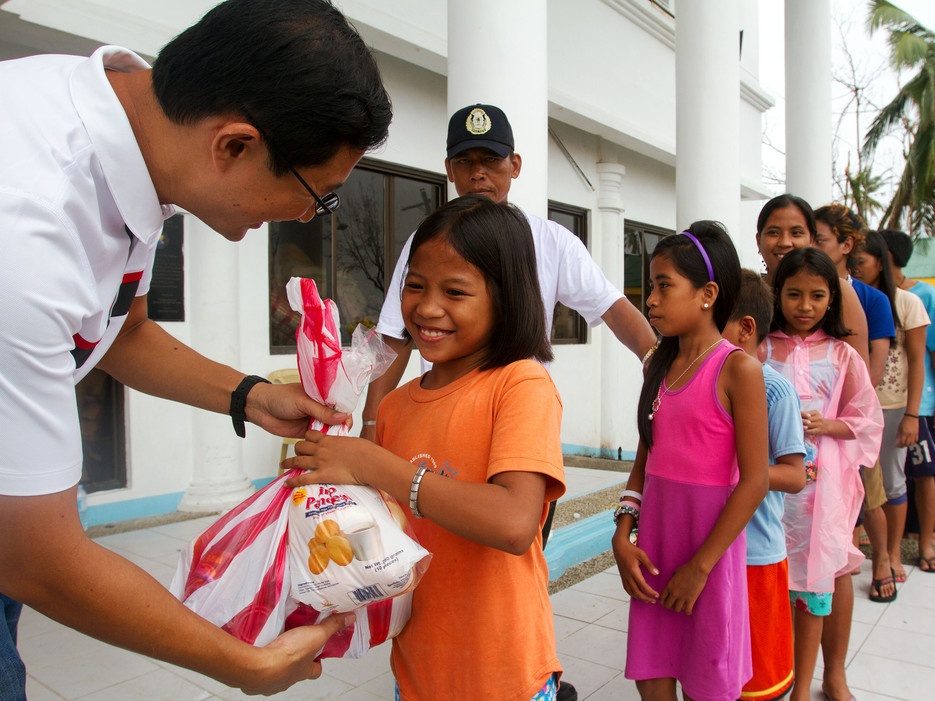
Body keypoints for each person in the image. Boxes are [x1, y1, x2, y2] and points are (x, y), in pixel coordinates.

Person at [0, 0, 393, 696]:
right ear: (234, 146)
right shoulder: (25, 233)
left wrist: (250, 395)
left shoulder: (132, 139)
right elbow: (33, 556)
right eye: (319, 196)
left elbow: (121, 327)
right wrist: (244, 661)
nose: (305, 218)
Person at [282, 195, 566, 700]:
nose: (427, 307)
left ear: (506, 296)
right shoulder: (394, 408)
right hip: (416, 673)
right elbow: (383, 538)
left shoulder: (521, 385)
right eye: (414, 286)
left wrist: (373, 462)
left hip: (506, 675)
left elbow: (514, 523)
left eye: (455, 291)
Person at [360, 102, 656, 438]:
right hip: (445, 417)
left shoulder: (552, 242)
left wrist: (655, 361)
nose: (478, 173)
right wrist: (371, 422)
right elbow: (396, 334)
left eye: (490, 160)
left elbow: (613, 307)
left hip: (517, 416)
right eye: (464, 161)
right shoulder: (427, 241)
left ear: (514, 165)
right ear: (449, 168)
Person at [612, 222, 769, 701]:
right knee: (653, 675)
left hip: (708, 556)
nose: (651, 300)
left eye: (664, 286)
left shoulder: (737, 369)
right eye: (651, 286)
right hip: (656, 554)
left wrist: (700, 567)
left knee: (709, 680)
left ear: (707, 294)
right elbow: (644, 460)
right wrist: (622, 533)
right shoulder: (659, 367)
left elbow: (756, 480)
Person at [761, 247, 883, 701]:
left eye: (816, 295)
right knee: (769, 585)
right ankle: (773, 677)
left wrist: (827, 424)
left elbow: (868, 417)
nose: (805, 306)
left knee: (814, 588)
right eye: (794, 294)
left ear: (831, 299)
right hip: (770, 490)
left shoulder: (842, 355)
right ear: (779, 294)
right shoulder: (760, 348)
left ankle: (803, 687)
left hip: (821, 496)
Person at [723, 270, 806, 701]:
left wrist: (736, 473)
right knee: (717, 675)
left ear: (745, 329)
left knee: (760, 685)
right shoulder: (703, 384)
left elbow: (795, 474)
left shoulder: (775, 391)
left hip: (756, 556)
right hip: (712, 551)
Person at [812, 204, 896, 605]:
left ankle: (883, 559)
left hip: (850, 420)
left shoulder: (871, 299)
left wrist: (840, 420)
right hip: (813, 426)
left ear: (846, 245)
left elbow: (871, 370)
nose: (809, 244)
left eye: (820, 238)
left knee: (869, 494)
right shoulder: (796, 290)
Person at [853, 230, 930, 587]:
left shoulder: (907, 302)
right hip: (855, 406)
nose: (856, 267)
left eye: (861, 261)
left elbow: (917, 360)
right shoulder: (851, 299)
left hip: (892, 406)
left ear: (879, 261)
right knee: (861, 482)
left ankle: (894, 553)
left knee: (892, 478)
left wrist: (913, 415)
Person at [880, 228, 935, 574]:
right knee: (889, 475)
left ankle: (926, 540)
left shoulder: (922, 295)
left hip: (918, 405)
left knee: (924, 473)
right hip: (884, 407)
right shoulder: (872, 297)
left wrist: (916, 411)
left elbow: (926, 353)